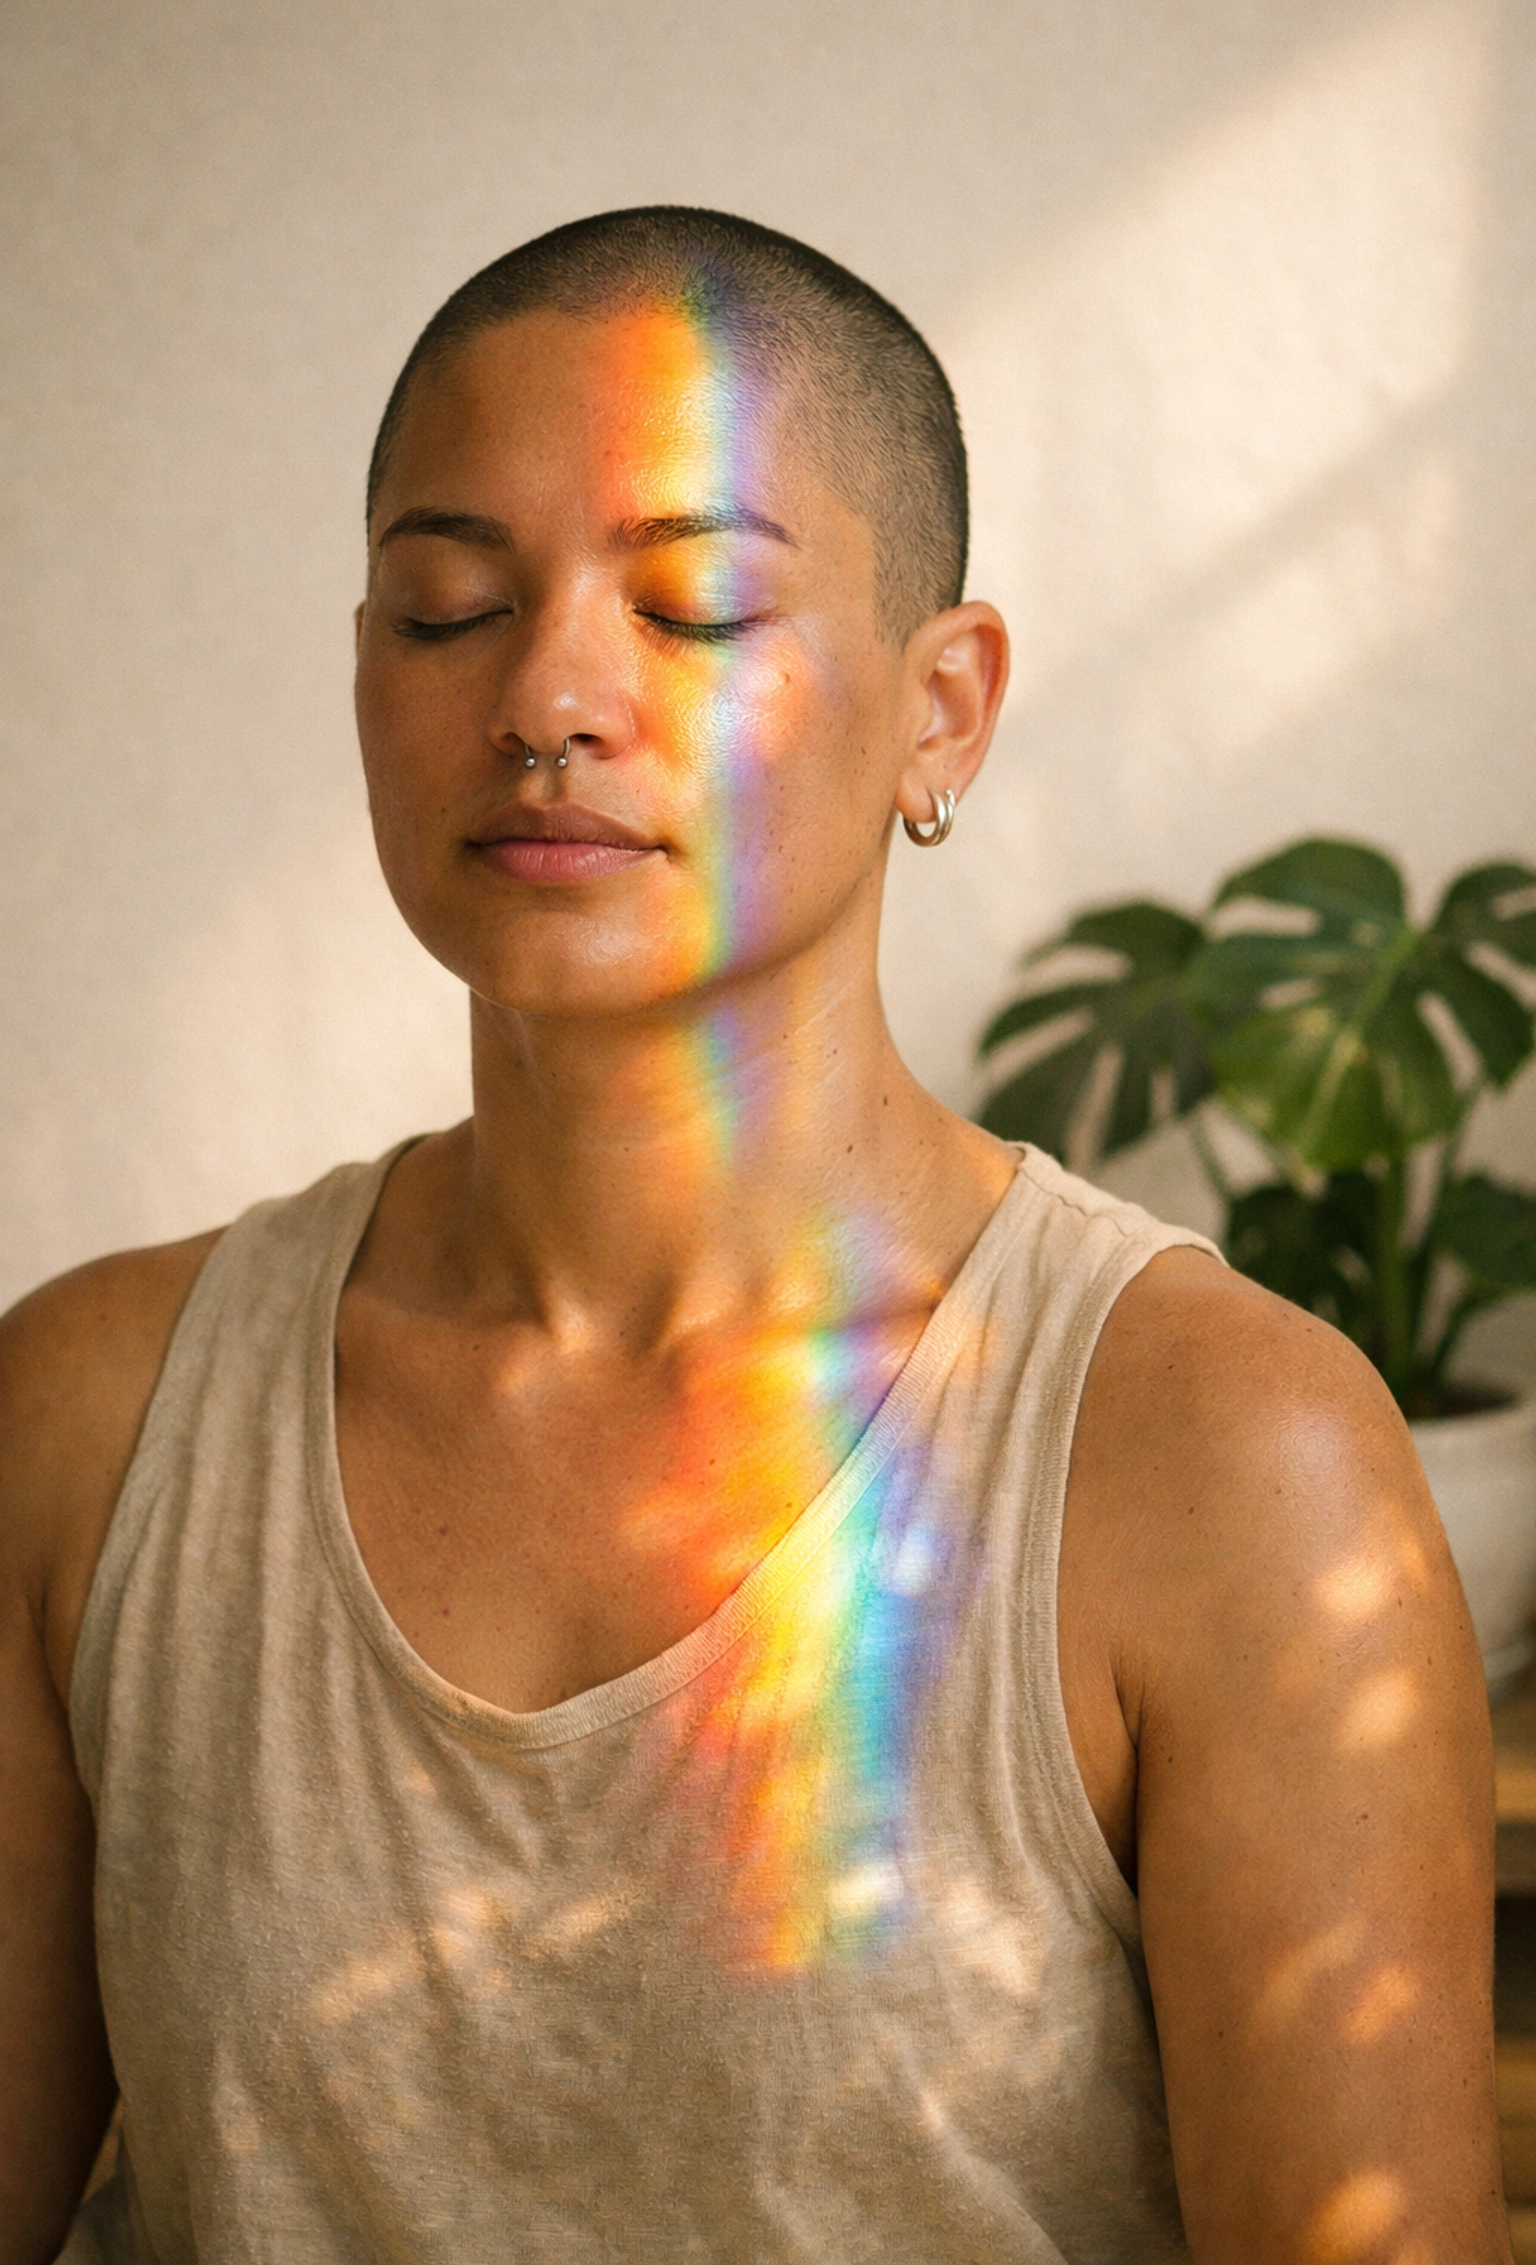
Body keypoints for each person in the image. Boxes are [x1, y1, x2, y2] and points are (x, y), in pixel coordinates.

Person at [0, 206, 1509, 2264]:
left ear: (942, 711)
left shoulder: (1223, 1458)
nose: (547, 694)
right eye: (449, 610)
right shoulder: (91, 1418)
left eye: (697, 606)